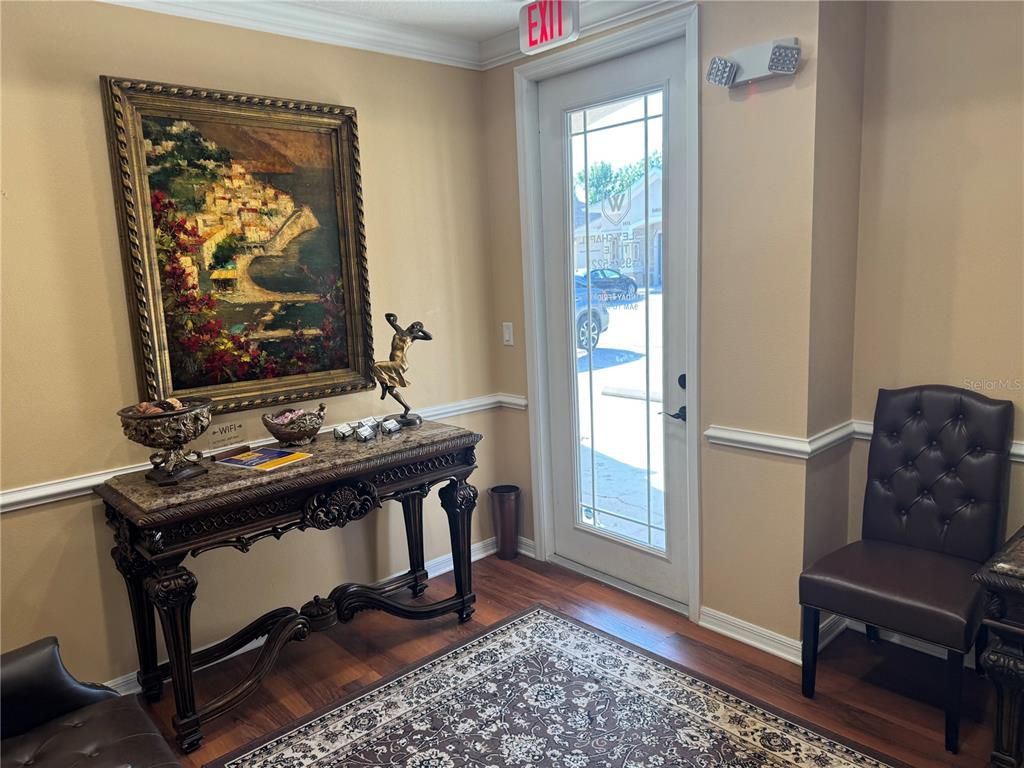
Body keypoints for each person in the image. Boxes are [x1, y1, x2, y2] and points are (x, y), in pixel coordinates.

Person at [372, 312, 433, 420]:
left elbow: (429, 337)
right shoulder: (399, 330)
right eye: (414, 324)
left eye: (418, 326)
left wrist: (420, 329)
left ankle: (383, 386)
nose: (414, 326)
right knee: (392, 391)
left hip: (400, 363)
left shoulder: (413, 336)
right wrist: (393, 317)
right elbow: (388, 318)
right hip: (393, 362)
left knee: (376, 365)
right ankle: (406, 407)